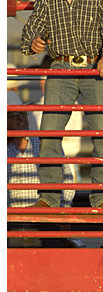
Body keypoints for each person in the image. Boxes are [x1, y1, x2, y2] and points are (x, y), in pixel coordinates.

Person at [20, 0, 103, 208]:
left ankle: (101, 198)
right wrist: (34, 42)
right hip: (61, 67)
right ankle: (49, 197)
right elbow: (29, 32)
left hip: (96, 66)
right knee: (49, 133)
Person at [7, 91, 76, 247]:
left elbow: (66, 179)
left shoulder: (44, 144)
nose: (21, 118)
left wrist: (64, 210)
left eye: (23, 113)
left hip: (45, 219)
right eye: (14, 114)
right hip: (11, 221)